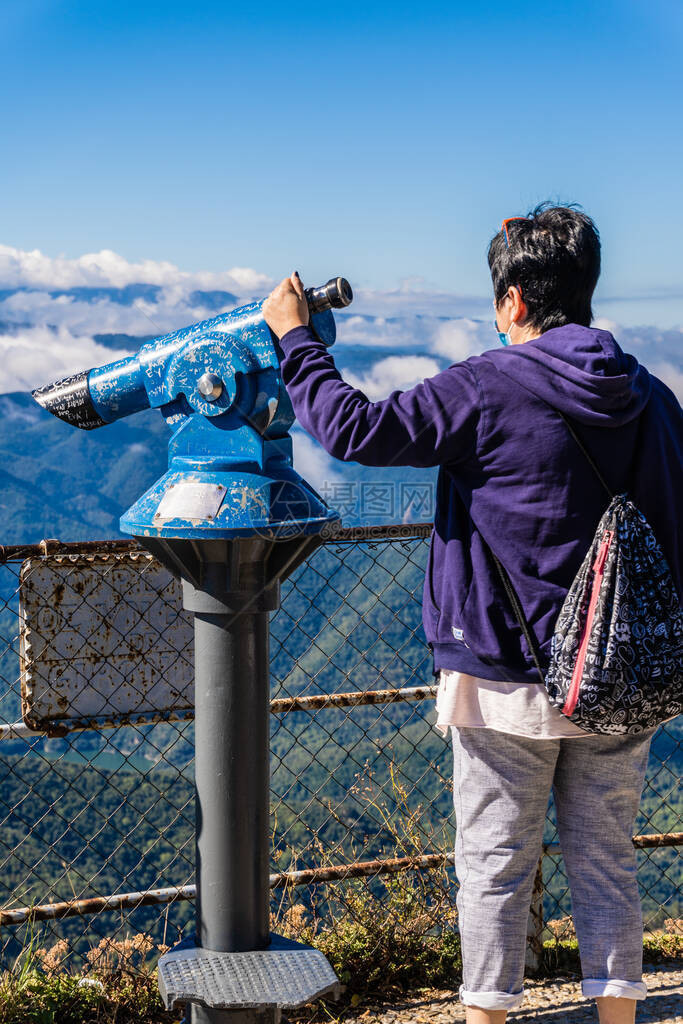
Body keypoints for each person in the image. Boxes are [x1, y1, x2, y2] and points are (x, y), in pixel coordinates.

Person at [262, 204, 682, 1024]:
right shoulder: (651, 395)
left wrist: (294, 338)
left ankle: (487, 1018)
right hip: (624, 676)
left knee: (492, 861)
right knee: (605, 863)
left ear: (514, 301)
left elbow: (351, 429)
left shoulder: (484, 388)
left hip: (501, 681)